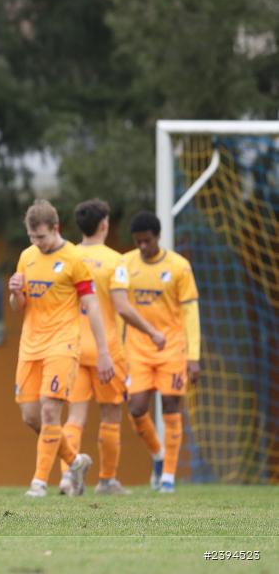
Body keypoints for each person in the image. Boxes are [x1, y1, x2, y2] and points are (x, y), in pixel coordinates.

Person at [57, 200, 166, 496]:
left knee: (75, 418)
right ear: (105, 223)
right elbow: (122, 307)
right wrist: (153, 331)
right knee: (110, 416)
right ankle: (106, 480)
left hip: (74, 348)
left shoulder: (68, 257)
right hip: (107, 350)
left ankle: (68, 475)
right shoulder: (115, 261)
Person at [8, 199, 111, 498]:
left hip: (63, 344)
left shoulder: (75, 259)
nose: (36, 243)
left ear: (55, 229)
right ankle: (75, 462)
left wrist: (103, 351)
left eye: (40, 237)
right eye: (31, 237)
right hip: (30, 346)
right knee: (31, 416)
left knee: (50, 410)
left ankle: (39, 483)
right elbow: (20, 306)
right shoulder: (27, 257)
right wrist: (15, 293)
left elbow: (91, 305)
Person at [124, 211, 200, 493]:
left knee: (171, 407)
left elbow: (191, 313)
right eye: (137, 242)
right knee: (136, 408)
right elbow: (121, 309)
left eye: (146, 241)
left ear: (157, 238)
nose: (142, 247)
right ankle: (158, 455)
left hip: (171, 349)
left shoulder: (179, 267)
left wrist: (193, 357)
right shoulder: (126, 264)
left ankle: (168, 476)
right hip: (137, 349)